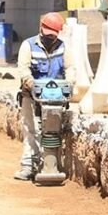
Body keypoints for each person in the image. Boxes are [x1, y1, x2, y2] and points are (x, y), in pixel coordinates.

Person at [14, 12, 75, 181]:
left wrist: (69, 84)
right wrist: (30, 82)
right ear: (41, 28)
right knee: (31, 128)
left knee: (53, 131)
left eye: (53, 36)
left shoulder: (64, 47)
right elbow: (23, 68)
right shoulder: (28, 45)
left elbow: (70, 68)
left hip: (55, 98)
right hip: (32, 95)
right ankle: (28, 165)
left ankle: (51, 163)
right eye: (47, 35)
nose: (50, 38)